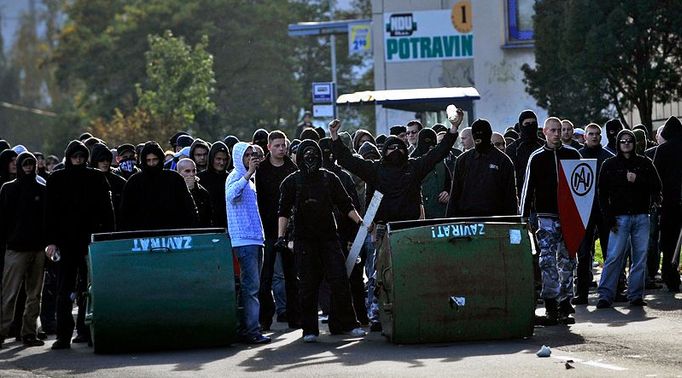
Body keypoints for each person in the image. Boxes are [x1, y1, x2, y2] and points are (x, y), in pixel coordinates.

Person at [331, 110, 463, 331]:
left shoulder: (414, 167)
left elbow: (439, 152)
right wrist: (334, 137)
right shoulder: (375, 170)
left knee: (413, 270)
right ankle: (376, 313)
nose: (396, 151)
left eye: (399, 147)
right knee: (378, 273)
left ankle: (414, 308)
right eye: (390, 148)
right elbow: (348, 161)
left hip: (410, 229)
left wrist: (453, 128)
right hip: (383, 230)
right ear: (383, 152)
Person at [277, 139, 367, 343]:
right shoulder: (291, 182)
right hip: (304, 240)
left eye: (314, 154)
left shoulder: (329, 178)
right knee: (307, 285)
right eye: (306, 154)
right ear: (300, 157)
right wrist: (282, 237)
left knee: (340, 280)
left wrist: (361, 222)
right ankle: (309, 329)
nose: (311, 158)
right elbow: (282, 211)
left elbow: (346, 204)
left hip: (329, 238)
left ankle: (348, 324)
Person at [45, 140, 115, 349]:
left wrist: (107, 237)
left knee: (90, 288)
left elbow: (106, 209)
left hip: (90, 241)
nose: (78, 160)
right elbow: (49, 213)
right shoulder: (57, 179)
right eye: (75, 157)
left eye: (82, 157)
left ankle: (87, 330)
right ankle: (63, 334)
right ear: (69, 157)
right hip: (67, 243)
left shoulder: (95, 178)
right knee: (64, 289)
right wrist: (51, 241)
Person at [520, 117, 581, 325]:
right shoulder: (536, 158)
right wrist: (524, 216)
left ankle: (566, 302)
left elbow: (583, 186)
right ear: (544, 132)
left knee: (568, 260)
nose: (557, 133)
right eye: (553, 130)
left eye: (559, 130)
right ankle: (551, 305)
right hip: (546, 217)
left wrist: (584, 215)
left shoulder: (572, 155)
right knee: (547, 261)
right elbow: (528, 189)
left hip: (570, 217)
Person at [596, 130, 662, 308]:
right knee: (614, 257)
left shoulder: (644, 163)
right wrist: (608, 217)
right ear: (618, 143)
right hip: (619, 218)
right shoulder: (609, 164)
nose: (626, 144)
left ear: (634, 143)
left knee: (639, 258)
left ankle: (635, 295)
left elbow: (657, 186)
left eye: (629, 141)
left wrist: (638, 179)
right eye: (623, 141)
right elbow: (601, 193)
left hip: (641, 216)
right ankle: (605, 295)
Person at [0, 152, 46, 348]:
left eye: (31, 164)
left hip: (37, 249)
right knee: (9, 294)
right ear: (20, 166)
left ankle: (29, 333)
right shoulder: (9, 189)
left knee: (34, 295)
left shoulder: (42, 189)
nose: (28, 167)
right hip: (15, 249)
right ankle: (1, 332)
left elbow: (48, 219)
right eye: (25, 164)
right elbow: (2, 220)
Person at [226, 142, 271, 344]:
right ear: (238, 158)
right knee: (251, 288)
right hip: (243, 241)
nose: (251, 159)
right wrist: (247, 174)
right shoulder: (236, 176)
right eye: (247, 156)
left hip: (255, 240)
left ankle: (246, 328)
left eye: (253, 155)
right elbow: (231, 196)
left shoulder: (250, 181)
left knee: (251, 287)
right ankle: (252, 330)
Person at [255, 131, 299, 331]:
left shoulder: (292, 167)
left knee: (291, 276)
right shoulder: (261, 170)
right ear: (269, 147)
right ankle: (265, 318)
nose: (281, 149)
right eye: (277, 146)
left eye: (284, 145)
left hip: (289, 231)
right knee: (266, 277)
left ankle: (293, 316)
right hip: (267, 231)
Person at [574, 124, 614, 304]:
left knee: (609, 253)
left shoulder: (609, 158)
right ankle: (581, 293)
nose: (595, 137)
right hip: (584, 212)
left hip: (604, 211)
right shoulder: (577, 156)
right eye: (591, 134)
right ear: (585, 136)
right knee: (583, 254)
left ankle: (614, 290)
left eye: (598, 134)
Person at [119, 141, 198, 231]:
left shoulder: (174, 179)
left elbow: (189, 209)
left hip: (173, 234)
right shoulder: (134, 182)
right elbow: (125, 213)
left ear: (160, 159)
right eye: (148, 160)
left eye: (155, 159)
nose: (152, 164)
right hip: (142, 236)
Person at [447, 119, 517, 217]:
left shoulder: (503, 161)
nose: (479, 138)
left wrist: (511, 224)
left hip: (495, 221)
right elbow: (455, 194)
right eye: (475, 134)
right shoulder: (463, 160)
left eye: (482, 134)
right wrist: (450, 222)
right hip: (467, 222)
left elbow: (510, 198)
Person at [653, 116, 682, 292]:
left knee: (669, 240)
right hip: (674, 199)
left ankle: (670, 276)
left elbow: (656, 177)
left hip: (670, 202)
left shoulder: (663, 150)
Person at [411, 129, 451, 219]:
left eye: (433, 146)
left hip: (441, 213)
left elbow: (449, 181)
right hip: (422, 216)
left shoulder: (440, 162)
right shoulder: (412, 163)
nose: (430, 149)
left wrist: (447, 192)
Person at [90, 143, 127, 229]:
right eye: (102, 160)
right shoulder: (86, 181)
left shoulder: (119, 182)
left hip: (116, 227)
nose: (105, 163)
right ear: (95, 160)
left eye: (108, 160)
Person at [506, 110, 543, 196]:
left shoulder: (543, 145)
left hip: (543, 193)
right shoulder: (513, 149)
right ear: (521, 126)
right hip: (521, 193)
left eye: (533, 123)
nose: (530, 126)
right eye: (527, 124)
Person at [197, 141, 230, 229]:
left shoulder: (230, 178)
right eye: (218, 159)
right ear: (212, 158)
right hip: (207, 227)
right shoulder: (200, 178)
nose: (221, 163)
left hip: (227, 226)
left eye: (224, 159)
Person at [176, 158, 212, 227]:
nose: (192, 174)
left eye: (194, 171)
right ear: (178, 173)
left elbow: (206, 215)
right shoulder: (172, 190)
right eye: (187, 171)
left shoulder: (203, 192)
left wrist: (193, 191)